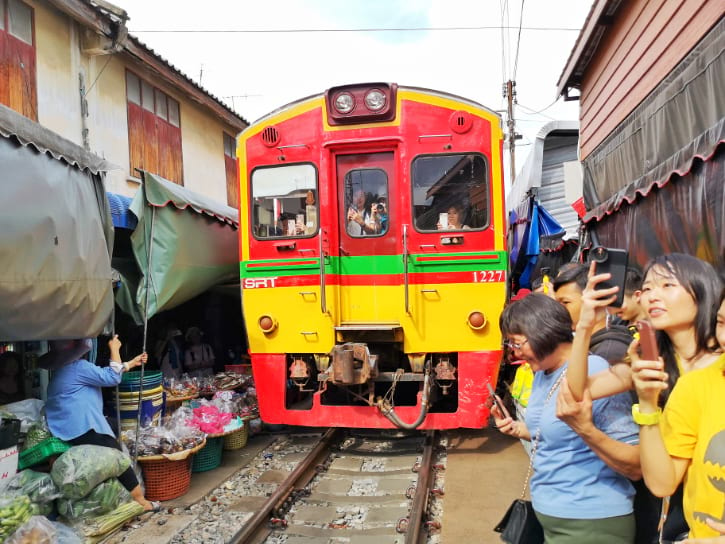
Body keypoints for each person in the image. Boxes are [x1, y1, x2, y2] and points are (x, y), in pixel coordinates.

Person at [568, 254, 723, 542]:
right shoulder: (648, 364)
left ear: (703, 290)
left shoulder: (719, 369)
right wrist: (586, 324)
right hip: (662, 500)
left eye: (667, 285)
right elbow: (577, 390)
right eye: (648, 288)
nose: (652, 296)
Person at [492, 293, 639, 543]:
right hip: (553, 517)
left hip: (591, 521)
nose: (514, 354)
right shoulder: (543, 371)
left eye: (517, 344)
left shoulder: (595, 372)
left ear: (542, 331)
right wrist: (517, 429)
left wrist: (585, 429)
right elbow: (555, 432)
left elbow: (635, 463)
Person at [631, 285, 725, 541]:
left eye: (668, 285)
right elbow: (663, 483)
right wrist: (648, 406)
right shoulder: (697, 385)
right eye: (721, 322)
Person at [42, 336, 158, 512]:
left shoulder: (61, 371)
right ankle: (141, 502)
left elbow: (104, 374)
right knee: (118, 458)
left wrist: (130, 363)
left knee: (113, 426)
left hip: (64, 428)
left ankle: (122, 495)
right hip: (81, 428)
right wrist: (114, 349)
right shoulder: (78, 368)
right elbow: (112, 378)